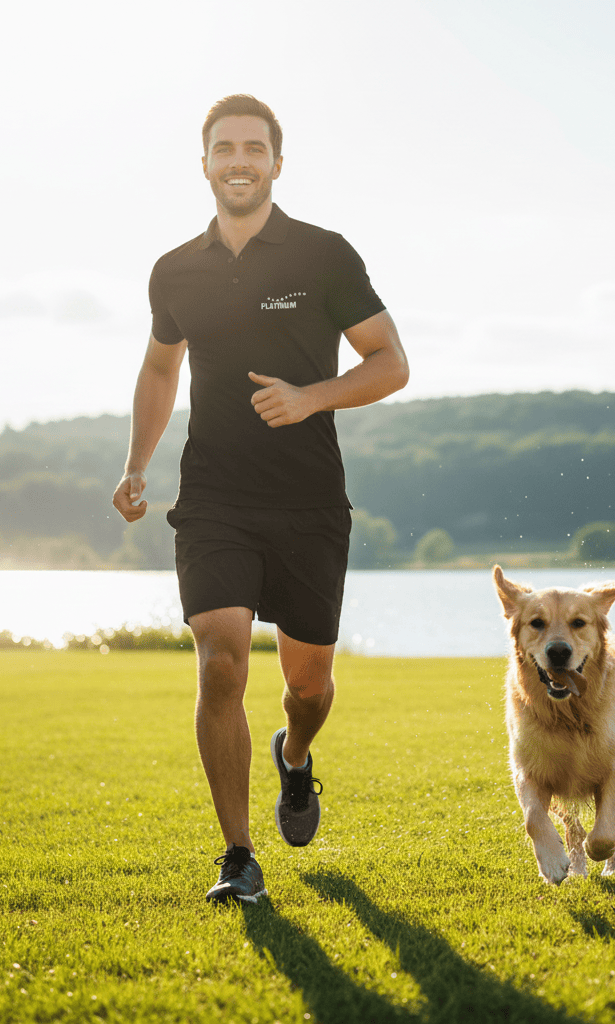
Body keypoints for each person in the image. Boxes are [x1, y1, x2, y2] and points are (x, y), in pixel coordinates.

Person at [111, 94, 409, 904]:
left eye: (254, 148)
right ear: (204, 163)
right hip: (212, 500)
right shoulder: (174, 269)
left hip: (310, 502)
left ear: (278, 162)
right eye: (223, 148)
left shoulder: (323, 255)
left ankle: (297, 757)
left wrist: (311, 397)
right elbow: (160, 369)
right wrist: (137, 464)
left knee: (307, 686)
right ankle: (238, 858)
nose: (238, 160)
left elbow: (390, 363)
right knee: (220, 664)